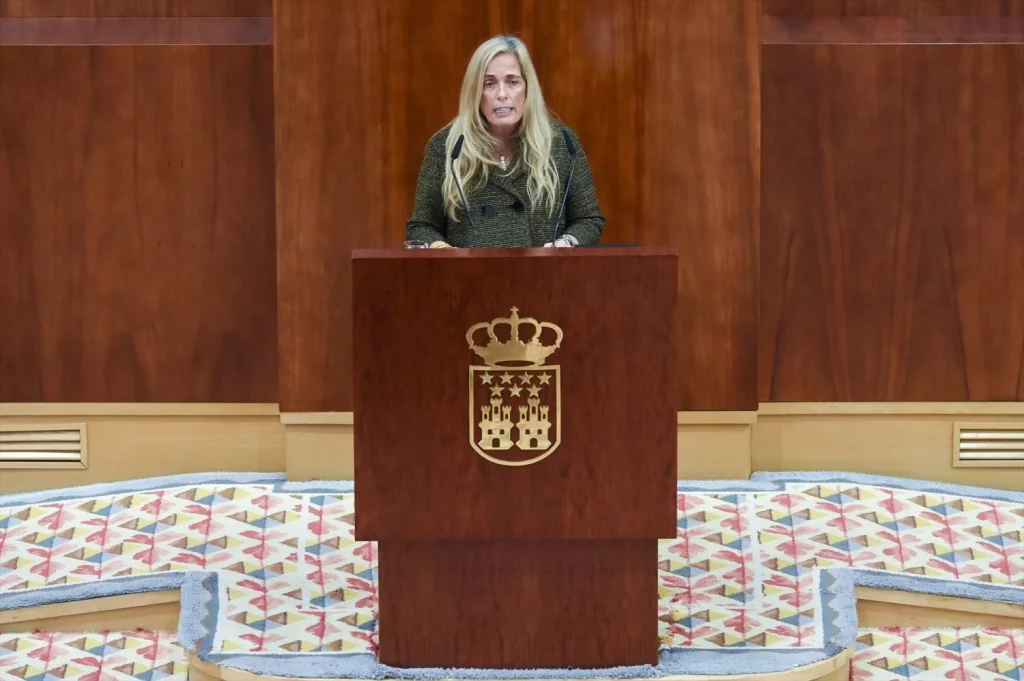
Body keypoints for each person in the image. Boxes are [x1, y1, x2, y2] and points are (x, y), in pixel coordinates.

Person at [405, 35, 605, 249]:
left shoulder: (562, 143)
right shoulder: (448, 147)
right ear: (475, 92)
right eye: (489, 84)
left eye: (512, 82)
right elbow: (422, 226)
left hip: (543, 278)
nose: (502, 94)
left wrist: (565, 244)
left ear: (527, 88)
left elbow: (589, 219)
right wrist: (443, 251)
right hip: (469, 279)